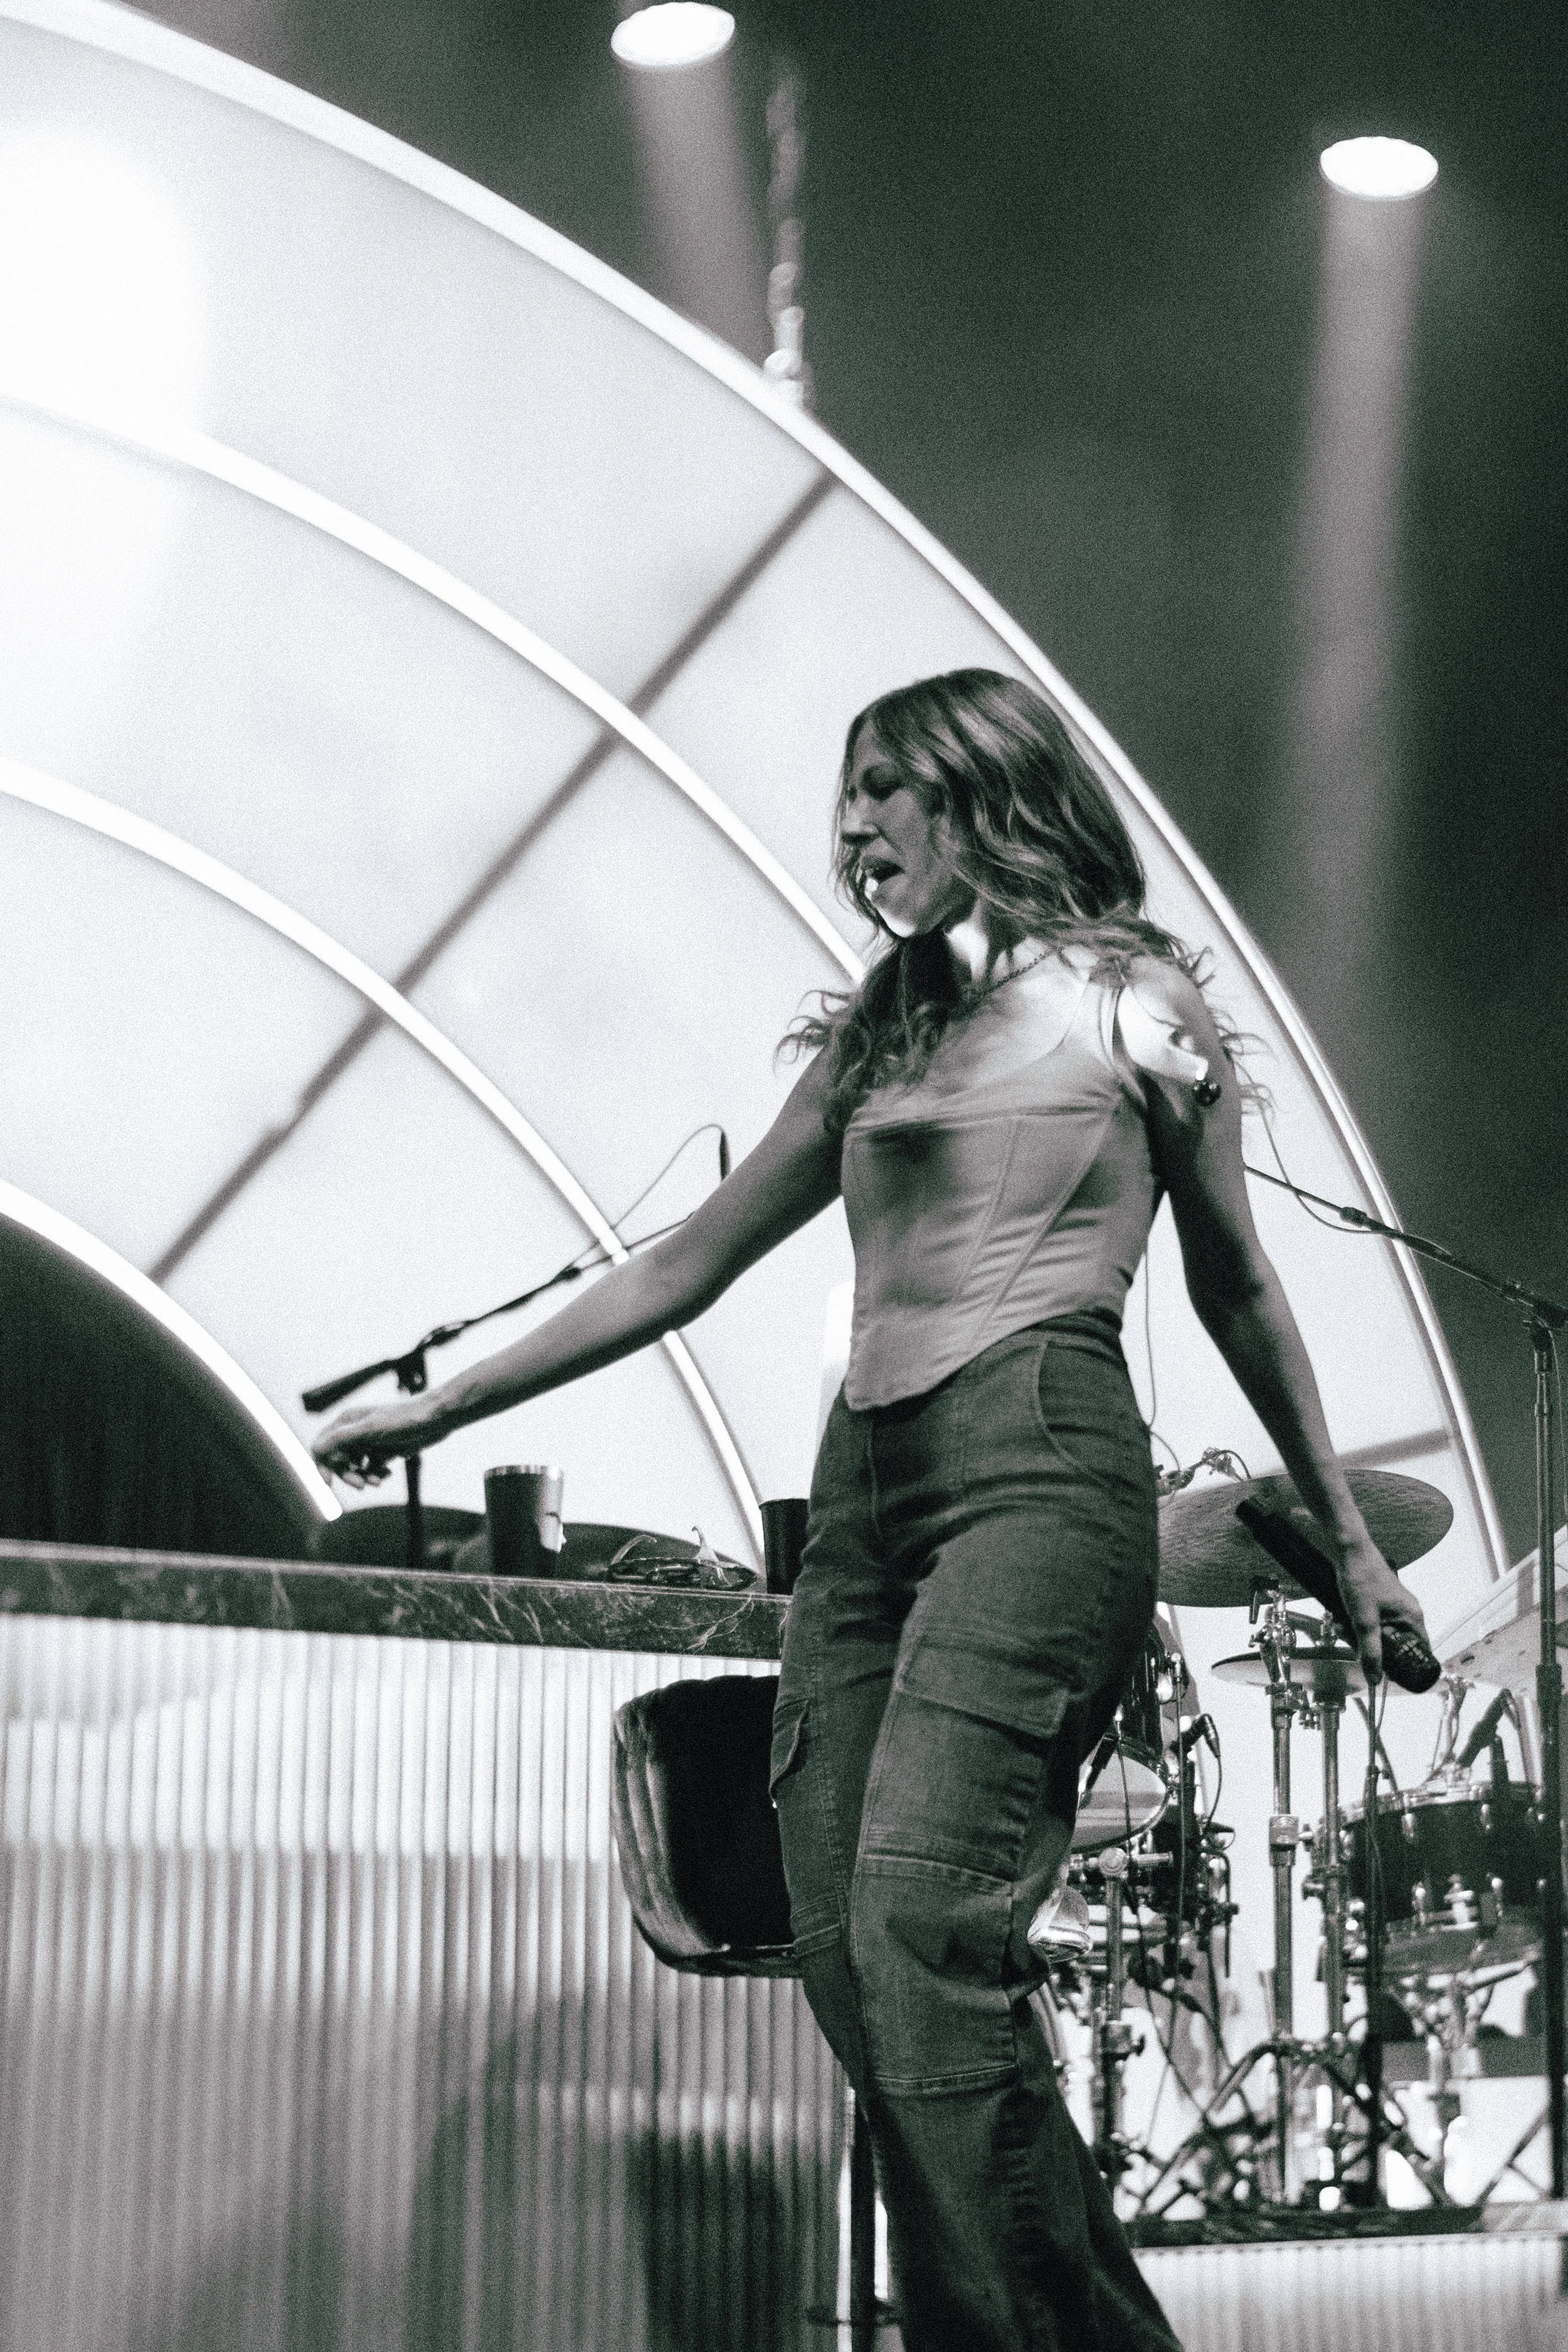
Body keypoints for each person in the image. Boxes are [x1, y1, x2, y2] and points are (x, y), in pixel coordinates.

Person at [314, 668, 1429, 2351]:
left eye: (888, 792)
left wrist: (1345, 1547)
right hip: (865, 1504)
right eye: (843, 796)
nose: (850, 828)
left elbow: (1239, 1286)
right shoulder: (880, 1030)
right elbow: (688, 1259)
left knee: (918, 1924)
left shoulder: (1130, 1002)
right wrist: (451, 1396)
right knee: (851, 1955)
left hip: (1036, 1472)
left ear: (990, 798)